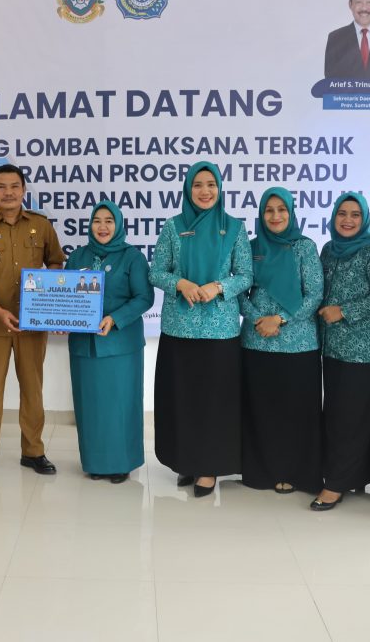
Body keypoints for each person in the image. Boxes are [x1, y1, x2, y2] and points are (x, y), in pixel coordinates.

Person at [149, 161, 253, 498]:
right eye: (198, 185)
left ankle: (208, 467)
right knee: (182, 399)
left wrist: (218, 287)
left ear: (220, 189)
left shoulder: (234, 228)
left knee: (214, 402)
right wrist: (179, 283)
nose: (205, 191)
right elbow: (156, 272)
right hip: (179, 330)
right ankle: (187, 461)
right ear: (187, 189)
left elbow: (246, 275)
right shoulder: (173, 226)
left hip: (220, 332)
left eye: (211, 184)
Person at [0, 164, 65, 477]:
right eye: (2, 187)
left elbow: (56, 263)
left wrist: (44, 298)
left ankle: (33, 451)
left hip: (32, 324)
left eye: (14, 186)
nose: (8, 192)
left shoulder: (41, 225)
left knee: (32, 388)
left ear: (24, 190)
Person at [313, 192, 370, 511]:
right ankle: (354, 475)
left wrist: (344, 311)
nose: (347, 220)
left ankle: (335, 484)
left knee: (352, 419)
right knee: (336, 415)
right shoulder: (329, 249)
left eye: (355, 215)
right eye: (342, 214)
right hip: (333, 348)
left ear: (365, 219)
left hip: (365, 351)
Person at [239, 187, 323, 496]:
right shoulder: (250, 248)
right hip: (256, 341)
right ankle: (260, 471)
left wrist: (280, 319)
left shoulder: (305, 247)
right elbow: (240, 292)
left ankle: (294, 472)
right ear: (261, 214)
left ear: (291, 212)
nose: (275, 216)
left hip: (297, 343)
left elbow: (314, 294)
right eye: (269, 210)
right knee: (261, 410)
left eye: (281, 210)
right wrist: (258, 319)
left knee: (295, 411)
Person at [66, 201, 154, 483]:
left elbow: (144, 297)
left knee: (120, 405)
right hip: (84, 347)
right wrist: (59, 319)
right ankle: (95, 462)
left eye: (109, 221)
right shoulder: (77, 256)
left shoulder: (133, 257)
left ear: (118, 225)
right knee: (89, 405)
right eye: (97, 221)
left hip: (120, 346)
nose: (102, 227)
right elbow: (64, 295)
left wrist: (115, 318)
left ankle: (121, 463)